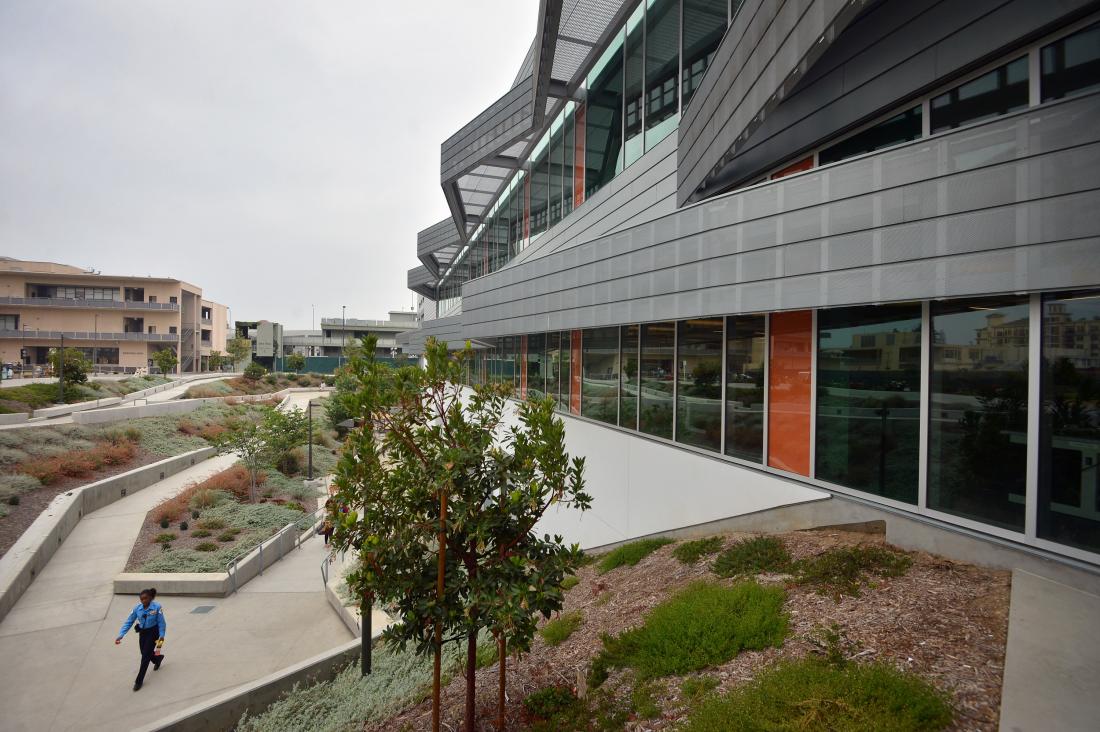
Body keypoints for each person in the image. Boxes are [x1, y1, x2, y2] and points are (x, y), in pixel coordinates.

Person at [115, 588, 166, 691]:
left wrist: (161, 637)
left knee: (145, 657)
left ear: (150, 598)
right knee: (144, 653)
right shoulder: (137, 609)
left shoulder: (157, 607)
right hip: (143, 633)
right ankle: (157, 659)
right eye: (141, 599)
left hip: (153, 632)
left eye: (145, 598)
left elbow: (161, 623)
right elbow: (129, 621)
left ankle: (139, 681)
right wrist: (121, 634)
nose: (143, 601)